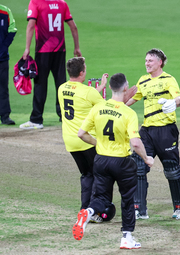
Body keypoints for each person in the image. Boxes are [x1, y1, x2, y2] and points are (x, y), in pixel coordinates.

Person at [74, 73, 154, 249]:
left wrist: (98, 144)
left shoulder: (98, 108)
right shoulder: (129, 113)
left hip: (101, 160)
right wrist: (146, 158)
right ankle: (126, 237)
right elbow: (135, 142)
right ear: (126, 88)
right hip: (122, 163)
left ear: (109, 87)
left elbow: (81, 134)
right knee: (127, 199)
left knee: (101, 198)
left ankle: (88, 212)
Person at [126, 48, 180, 219]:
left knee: (172, 170)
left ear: (160, 62)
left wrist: (173, 103)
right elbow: (131, 100)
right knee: (138, 166)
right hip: (147, 130)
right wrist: (116, 105)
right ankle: (139, 209)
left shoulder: (169, 80)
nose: (146, 63)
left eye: (150, 61)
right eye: (146, 60)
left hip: (166, 130)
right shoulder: (143, 80)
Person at [58, 57, 107, 222]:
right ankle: (93, 212)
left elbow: (83, 98)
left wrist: (100, 87)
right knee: (99, 175)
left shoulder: (61, 88)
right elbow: (105, 108)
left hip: (70, 141)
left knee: (86, 174)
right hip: (87, 140)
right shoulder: (88, 92)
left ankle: (84, 209)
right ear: (82, 73)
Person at [20, 0, 81, 129]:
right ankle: (65, 116)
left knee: (40, 83)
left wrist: (27, 48)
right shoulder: (62, 4)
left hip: (43, 50)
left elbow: (31, 25)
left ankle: (36, 119)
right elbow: (73, 27)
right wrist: (77, 47)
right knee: (61, 82)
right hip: (60, 50)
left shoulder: (35, 3)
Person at [0, 4, 17, 125]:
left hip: (2, 57)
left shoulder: (5, 11)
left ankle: (5, 116)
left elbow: (12, 30)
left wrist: (4, 47)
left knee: (3, 87)